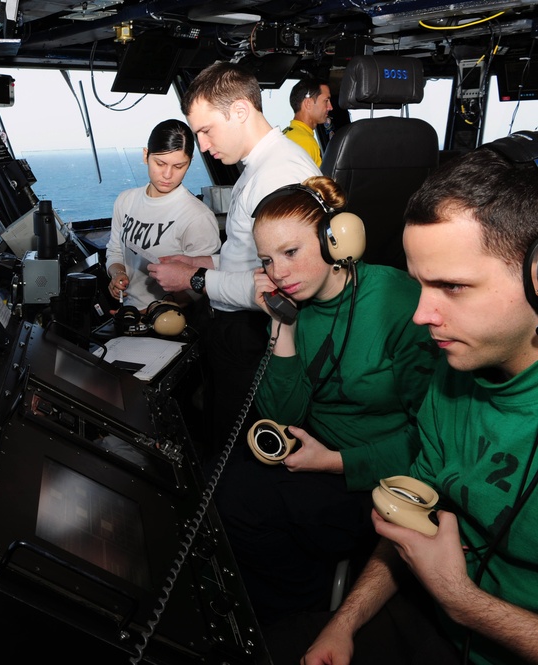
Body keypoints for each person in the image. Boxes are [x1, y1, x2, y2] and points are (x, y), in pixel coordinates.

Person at [298, 132, 538, 665]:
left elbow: (451, 588)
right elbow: (415, 518)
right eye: (419, 285)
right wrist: (345, 624)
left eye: (452, 287)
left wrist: (462, 600)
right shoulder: (451, 377)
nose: (420, 315)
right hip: (433, 621)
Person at [213, 175, 439, 625]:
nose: (278, 273)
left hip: (385, 473)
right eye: (267, 260)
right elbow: (282, 415)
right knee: (221, 488)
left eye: (291, 252)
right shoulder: (292, 304)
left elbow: (435, 444)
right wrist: (285, 328)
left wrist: (335, 462)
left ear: (335, 241)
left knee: (243, 507)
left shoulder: (400, 303)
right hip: (314, 451)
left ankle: (299, 622)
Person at [146, 62, 320, 446]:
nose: (204, 146)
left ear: (240, 111)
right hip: (235, 331)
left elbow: (277, 285)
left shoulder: (278, 176)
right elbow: (251, 259)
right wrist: (200, 262)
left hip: (252, 335)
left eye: (206, 131)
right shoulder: (258, 168)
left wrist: (190, 279)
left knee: (235, 445)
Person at [105, 119, 221, 311]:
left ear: (189, 163)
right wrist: (117, 274)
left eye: (178, 166)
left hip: (171, 318)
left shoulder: (197, 217)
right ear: (145, 156)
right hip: (129, 311)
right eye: (160, 163)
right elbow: (115, 250)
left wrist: (150, 313)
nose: (167, 175)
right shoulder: (125, 201)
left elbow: (201, 286)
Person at [282, 78, 333, 167]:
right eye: (326, 101)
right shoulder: (306, 142)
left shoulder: (287, 135)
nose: (330, 107)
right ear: (308, 103)